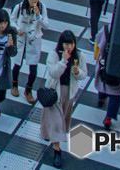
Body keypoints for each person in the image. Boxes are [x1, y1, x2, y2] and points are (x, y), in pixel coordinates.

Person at [40, 30, 86, 168]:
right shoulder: (54, 55)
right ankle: (57, 150)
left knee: (62, 117)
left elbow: (84, 74)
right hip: (55, 91)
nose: (69, 47)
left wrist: (77, 72)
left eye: (71, 44)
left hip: (69, 91)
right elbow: (54, 73)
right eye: (66, 44)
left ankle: (46, 133)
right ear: (61, 44)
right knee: (56, 121)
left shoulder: (79, 55)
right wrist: (63, 61)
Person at [11, 0, 48, 104]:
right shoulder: (19, 7)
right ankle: (14, 85)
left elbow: (46, 25)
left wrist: (38, 16)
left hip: (34, 40)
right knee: (17, 64)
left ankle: (28, 89)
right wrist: (18, 29)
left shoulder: (42, 8)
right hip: (21, 39)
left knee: (33, 68)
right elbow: (12, 21)